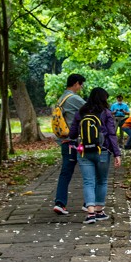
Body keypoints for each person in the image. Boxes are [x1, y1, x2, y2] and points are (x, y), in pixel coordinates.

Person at [68, 87, 122, 224]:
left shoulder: (81, 112)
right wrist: (117, 154)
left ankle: (90, 213)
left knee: (88, 182)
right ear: (104, 98)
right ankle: (99, 211)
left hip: (84, 152)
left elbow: (73, 134)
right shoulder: (106, 113)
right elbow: (111, 134)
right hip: (102, 151)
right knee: (102, 181)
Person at [52, 73, 86, 216]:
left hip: (65, 141)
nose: (81, 87)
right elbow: (92, 109)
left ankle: (60, 203)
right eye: (81, 84)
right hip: (76, 141)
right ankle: (89, 203)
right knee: (88, 171)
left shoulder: (61, 98)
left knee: (65, 173)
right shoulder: (74, 98)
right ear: (76, 83)